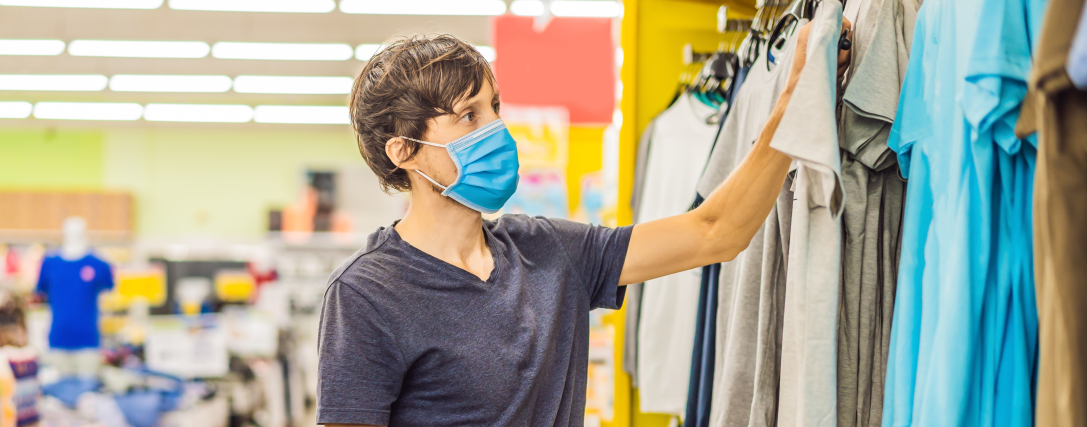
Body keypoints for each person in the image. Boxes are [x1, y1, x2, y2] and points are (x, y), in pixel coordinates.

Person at [319, 20, 850, 426]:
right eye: (469, 115)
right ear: (405, 150)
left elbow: (717, 231)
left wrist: (793, 102)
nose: (497, 128)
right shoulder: (367, 295)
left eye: (495, 106)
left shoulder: (549, 250)